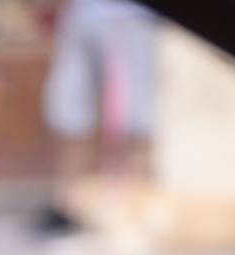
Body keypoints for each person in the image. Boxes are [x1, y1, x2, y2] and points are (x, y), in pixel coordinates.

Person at [36, 0, 159, 234]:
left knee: (137, 117)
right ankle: (69, 209)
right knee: (70, 113)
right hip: (83, 13)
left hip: (132, 16)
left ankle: (139, 209)